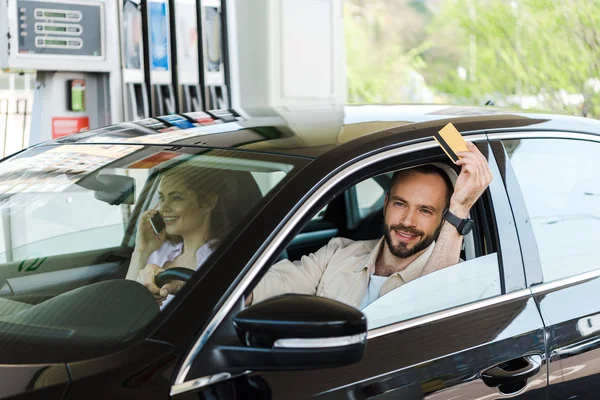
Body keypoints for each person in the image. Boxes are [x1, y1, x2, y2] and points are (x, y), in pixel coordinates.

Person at [247, 142, 493, 309]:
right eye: (400, 204)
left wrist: (460, 208)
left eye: (425, 210)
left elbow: (435, 317)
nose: (408, 221)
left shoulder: (455, 277)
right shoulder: (338, 253)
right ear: (385, 204)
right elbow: (271, 285)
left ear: (443, 218)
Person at [126, 164, 232, 307]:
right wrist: (142, 251)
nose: (163, 207)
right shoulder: (160, 251)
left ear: (208, 202)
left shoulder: (227, 257)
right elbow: (126, 305)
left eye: (176, 198)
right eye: (161, 198)